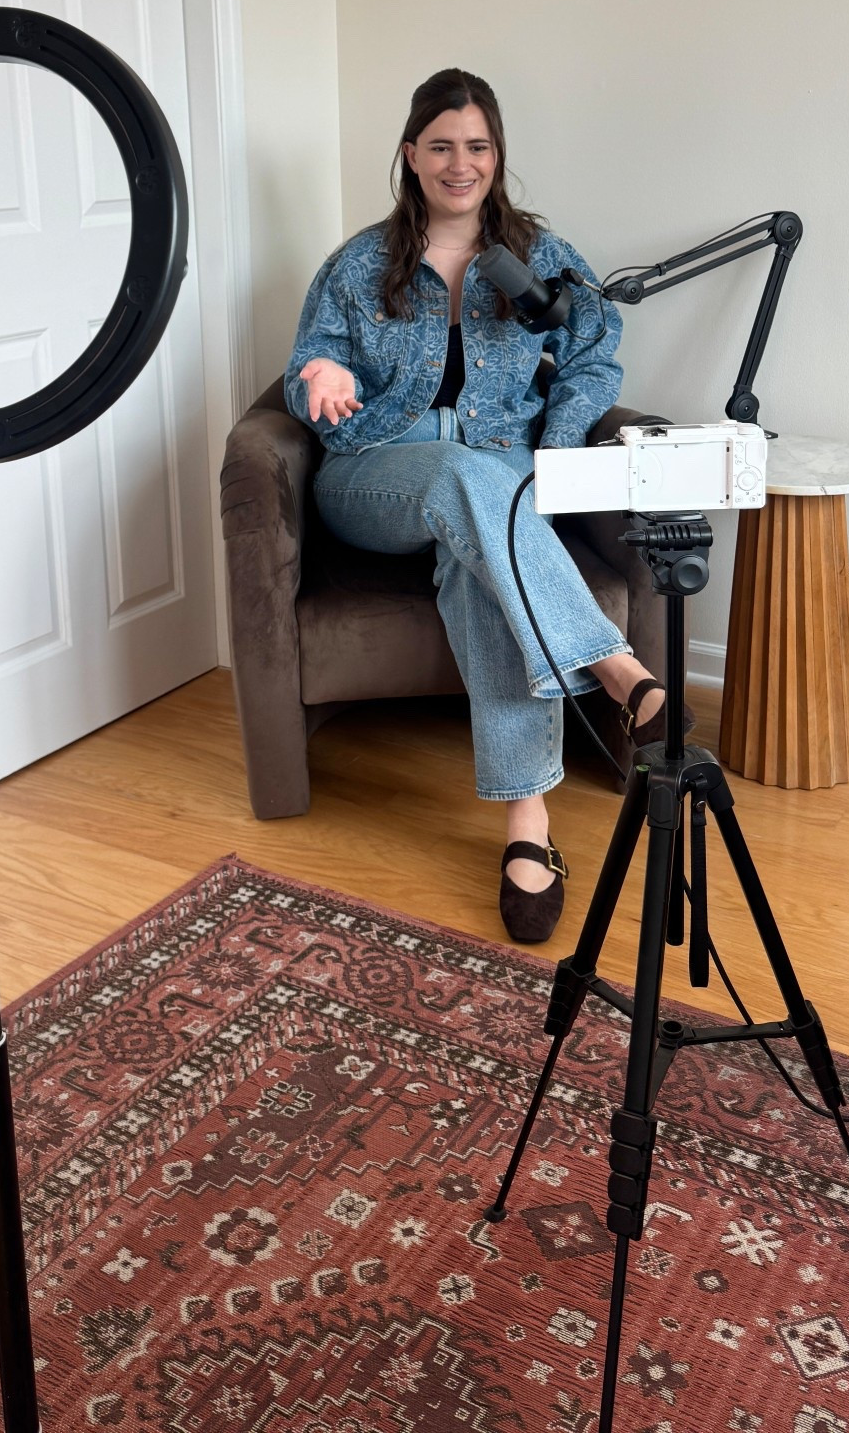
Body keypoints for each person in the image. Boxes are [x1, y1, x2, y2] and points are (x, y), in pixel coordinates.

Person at [284, 70, 667, 944]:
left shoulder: (542, 259)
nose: (461, 164)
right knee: (460, 473)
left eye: (478, 147)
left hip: (499, 484)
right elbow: (307, 371)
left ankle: (526, 830)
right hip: (376, 474)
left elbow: (595, 357)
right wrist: (321, 378)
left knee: (475, 557)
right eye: (442, 146)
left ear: (498, 156)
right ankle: (615, 670)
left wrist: (555, 450)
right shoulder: (355, 265)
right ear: (411, 155)